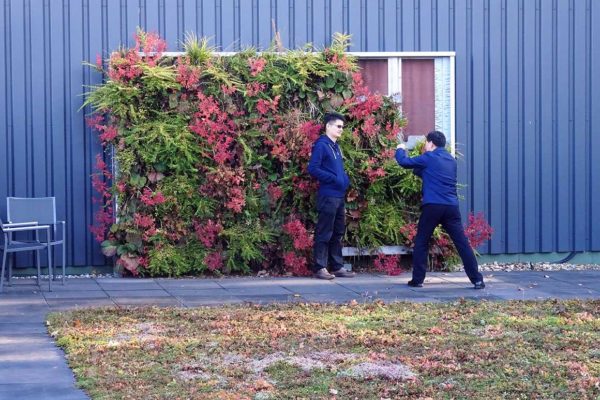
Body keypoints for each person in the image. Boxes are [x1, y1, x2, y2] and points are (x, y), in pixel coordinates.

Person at [395, 131, 485, 289]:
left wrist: (400, 148)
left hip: (433, 206)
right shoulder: (451, 160)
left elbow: (404, 162)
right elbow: (424, 172)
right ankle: (477, 279)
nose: (425, 146)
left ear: (431, 143)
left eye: (426, 143)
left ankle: (417, 280)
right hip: (451, 207)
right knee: (462, 243)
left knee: (422, 241)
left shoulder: (429, 157)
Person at [307, 112, 356, 279]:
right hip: (328, 195)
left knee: (337, 231)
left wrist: (344, 179)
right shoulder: (321, 145)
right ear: (328, 126)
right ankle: (320, 267)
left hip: (339, 196)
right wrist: (334, 179)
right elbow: (313, 169)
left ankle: (336, 266)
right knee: (324, 231)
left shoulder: (336, 146)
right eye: (338, 126)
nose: (341, 129)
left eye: (342, 127)